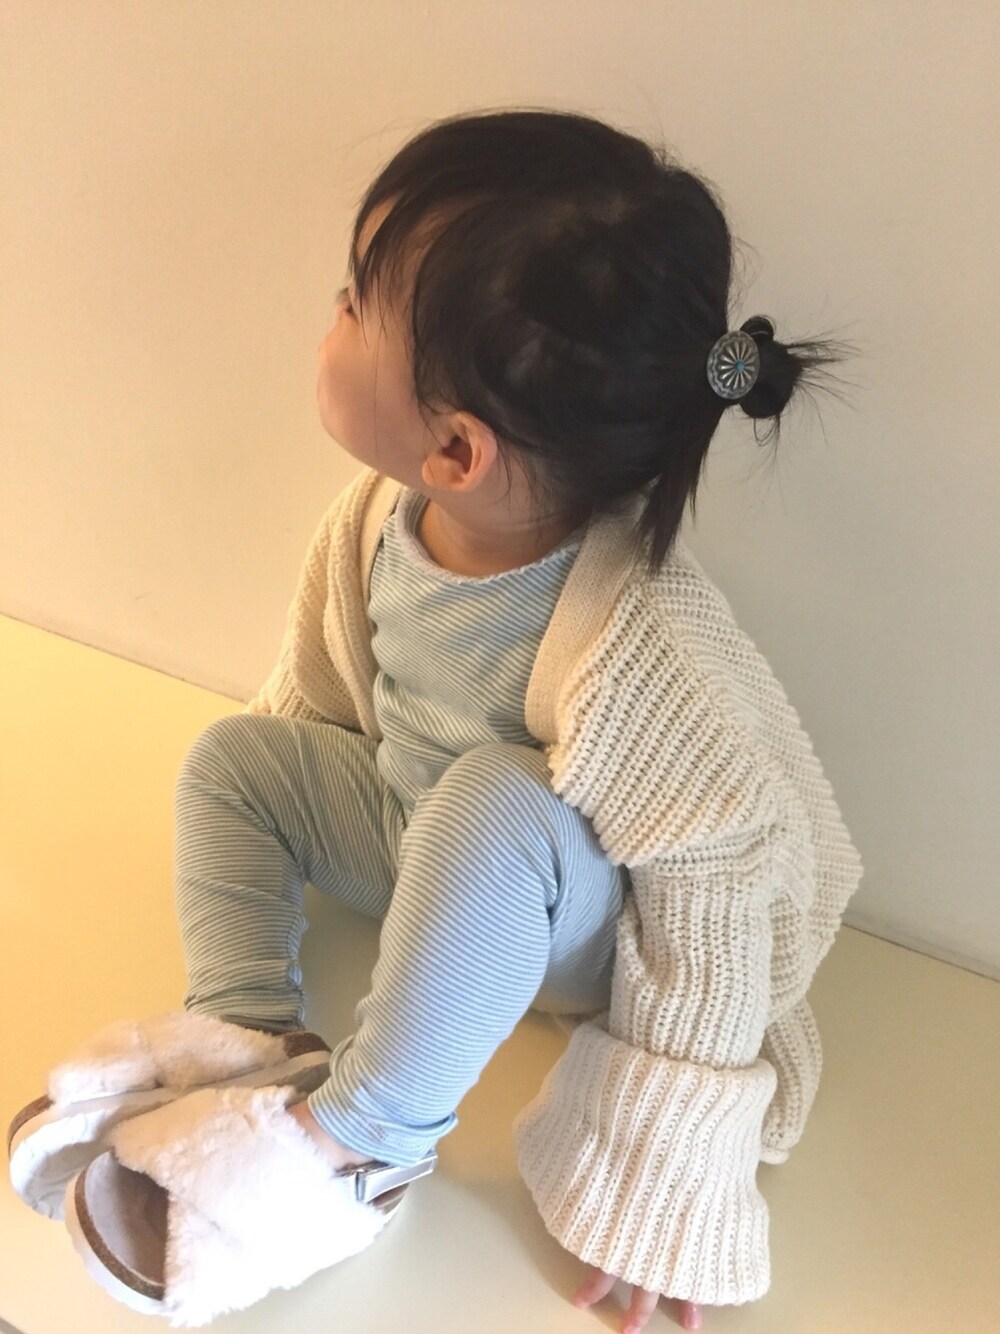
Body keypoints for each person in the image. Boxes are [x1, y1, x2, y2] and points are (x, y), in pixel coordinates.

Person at [19, 109, 866, 1332]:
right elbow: (321, 691)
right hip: (414, 833)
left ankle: (366, 1140)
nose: (329, 313)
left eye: (353, 303)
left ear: (457, 448)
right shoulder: (378, 517)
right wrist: (287, 806)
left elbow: (718, 902)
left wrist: (663, 1174)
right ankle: (245, 1032)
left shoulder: (635, 645)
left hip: (567, 925)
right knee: (232, 756)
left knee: (488, 800)